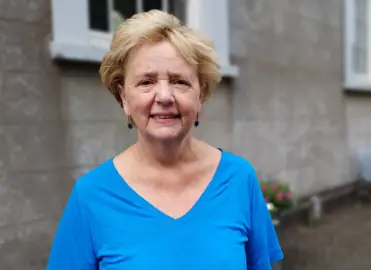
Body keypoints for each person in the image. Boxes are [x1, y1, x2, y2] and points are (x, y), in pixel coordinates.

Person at [46, 9, 283, 270]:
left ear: (200, 95)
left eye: (179, 81)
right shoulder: (90, 196)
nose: (164, 96)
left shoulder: (239, 179)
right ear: (124, 97)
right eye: (146, 82)